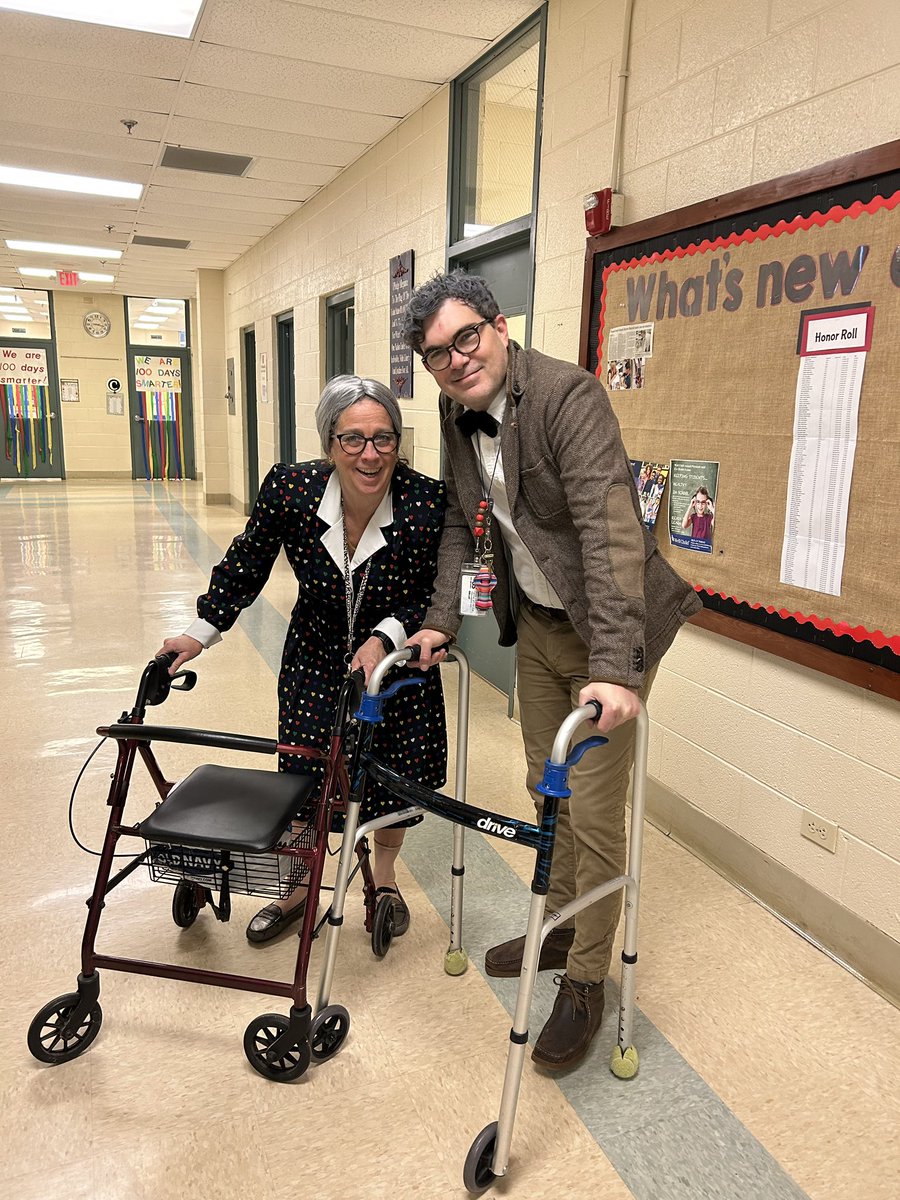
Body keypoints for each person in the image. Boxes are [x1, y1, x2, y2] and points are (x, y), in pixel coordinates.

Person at [401, 271, 700, 1072]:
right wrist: (437, 624)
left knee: (596, 811)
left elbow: (610, 534)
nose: (456, 360)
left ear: (500, 328)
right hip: (532, 626)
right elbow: (467, 528)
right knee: (546, 784)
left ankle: (588, 980)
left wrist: (614, 669)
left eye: (466, 337)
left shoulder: (570, 398)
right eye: (437, 354)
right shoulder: (456, 413)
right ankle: (564, 921)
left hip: (603, 633)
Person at [156, 375, 447, 943]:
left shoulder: (424, 500)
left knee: (391, 776)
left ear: (399, 441)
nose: (370, 454)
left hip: (394, 665)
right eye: (352, 439)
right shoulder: (292, 489)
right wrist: (200, 630)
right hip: (315, 657)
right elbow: (248, 560)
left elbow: (428, 592)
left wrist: (385, 638)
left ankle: (382, 880)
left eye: (384, 438)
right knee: (305, 769)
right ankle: (297, 886)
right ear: (328, 443)